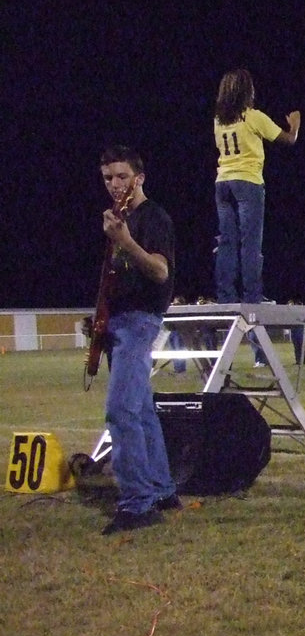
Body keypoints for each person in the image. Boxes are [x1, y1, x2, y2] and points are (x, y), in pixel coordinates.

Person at [96, 146, 180, 534]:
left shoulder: (152, 218)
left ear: (140, 178)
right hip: (118, 323)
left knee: (121, 411)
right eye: (108, 177)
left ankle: (137, 505)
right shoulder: (120, 219)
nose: (115, 184)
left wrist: (126, 241)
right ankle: (162, 492)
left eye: (122, 176)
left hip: (139, 322)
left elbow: (161, 272)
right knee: (142, 412)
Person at [212, 68, 300, 304]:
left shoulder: (219, 120)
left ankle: (225, 296)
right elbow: (289, 140)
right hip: (248, 182)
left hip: (222, 182)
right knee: (250, 242)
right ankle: (252, 296)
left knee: (226, 240)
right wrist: (295, 125)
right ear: (246, 91)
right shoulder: (253, 116)